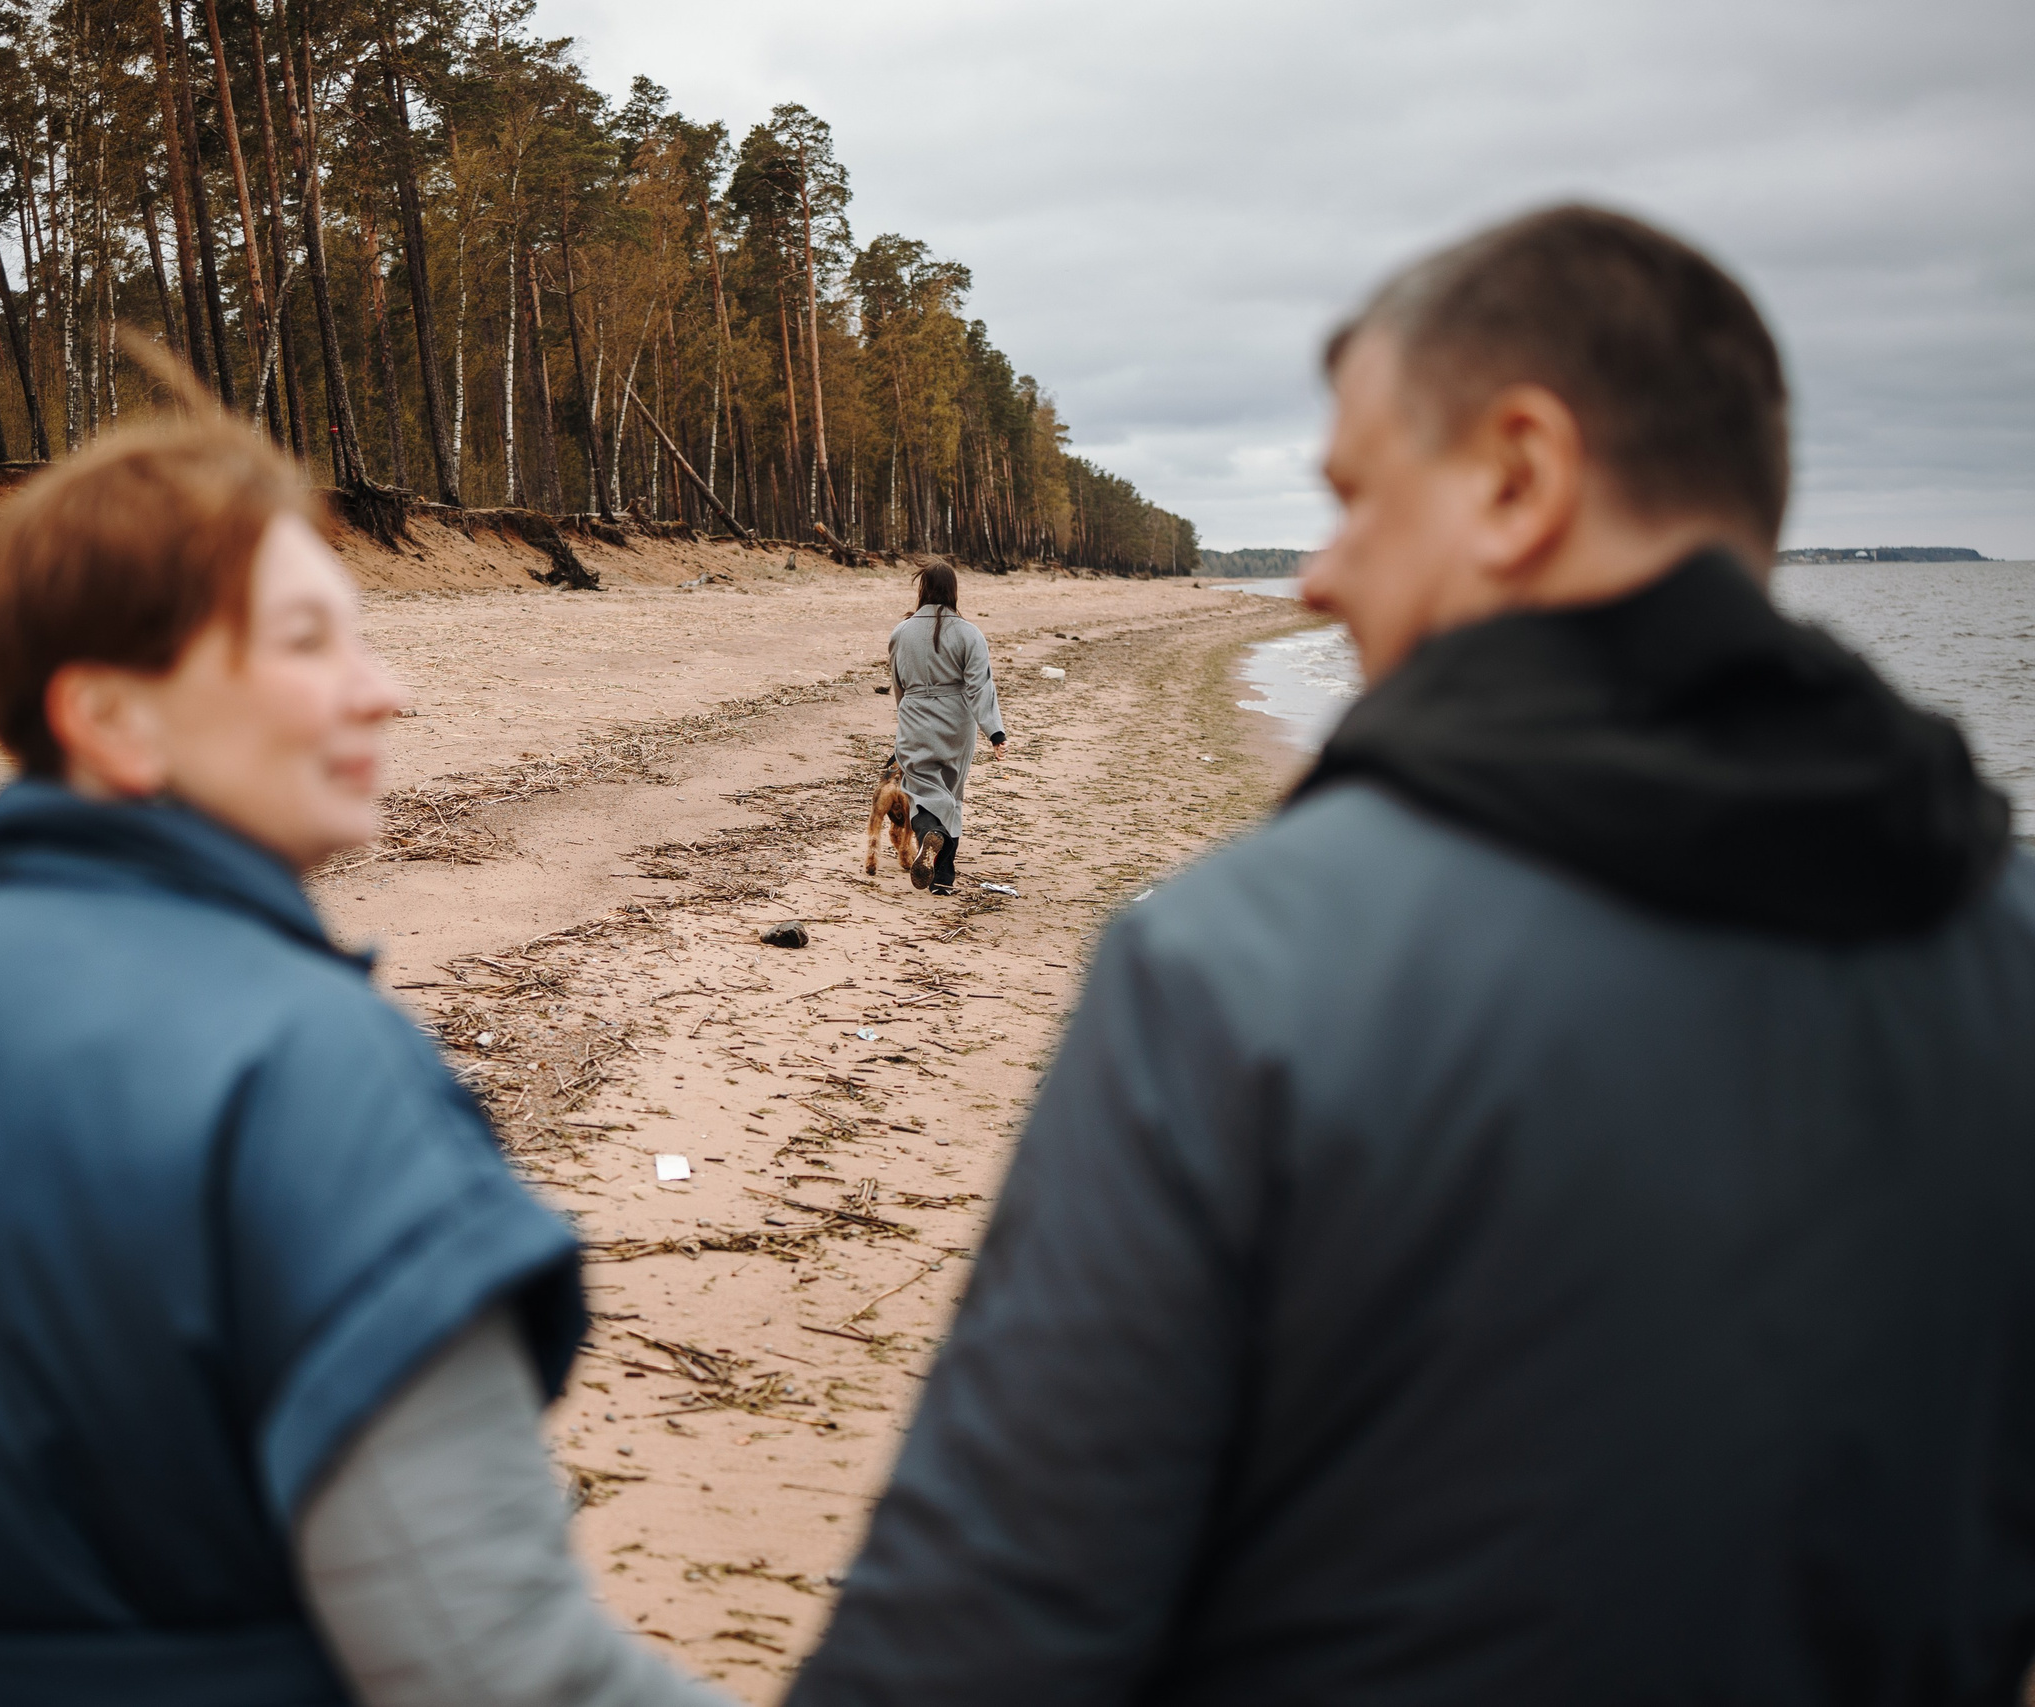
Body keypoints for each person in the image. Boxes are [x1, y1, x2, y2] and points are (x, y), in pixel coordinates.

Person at [789, 205, 2035, 1703]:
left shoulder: (1240, 977)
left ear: (1519, 475)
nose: (1318, 576)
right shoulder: (2002, 952)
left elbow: (961, 1651)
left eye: (1359, 497)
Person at [0, 404, 728, 1707]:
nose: (385, 688)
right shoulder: (313, 1069)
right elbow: (494, 1664)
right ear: (113, 715)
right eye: (309, 639)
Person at [886, 563, 1005, 893]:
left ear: (922, 589)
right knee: (951, 795)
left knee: (918, 789)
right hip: (957, 719)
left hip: (914, 714)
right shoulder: (969, 633)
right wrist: (994, 731)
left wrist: (906, 715)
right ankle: (943, 879)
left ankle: (927, 837)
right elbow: (980, 686)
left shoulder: (902, 631)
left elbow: (898, 683)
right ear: (953, 591)